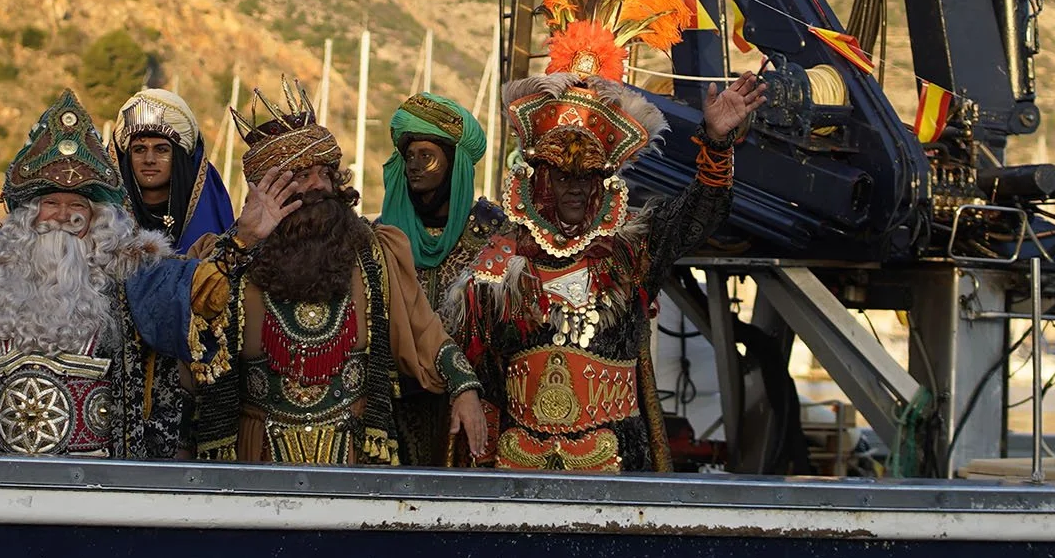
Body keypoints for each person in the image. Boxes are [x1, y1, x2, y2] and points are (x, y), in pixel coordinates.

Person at [445, 70, 763, 471]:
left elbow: (700, 213)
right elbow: (468, 358)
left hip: (619, 458)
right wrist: (467, 399)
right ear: (540, 180)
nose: (576, 188)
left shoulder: (632, 249)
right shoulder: (498, 266)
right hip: (518, 462)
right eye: (564, 177)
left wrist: (717, 143)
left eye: (588, 176)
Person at [181, 80, 487, 467]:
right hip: (255, 457)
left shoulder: (376, 253)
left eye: (325, 172)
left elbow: (424, 331)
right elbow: (188, 345)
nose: (318, 186)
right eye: (300, 175)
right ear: (267, 189)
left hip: (355, 455)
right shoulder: (223, 258)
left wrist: (465, 389)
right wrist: (241, 244)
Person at [0, 89, 194, 458]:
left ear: (97, 221)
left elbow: (181, 310)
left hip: (95, 483)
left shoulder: (127, 280)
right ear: (28, 215)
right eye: (51, 204)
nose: (63, 216)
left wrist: (240, 243)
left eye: (76, 205)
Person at [377, 91, 508, 465]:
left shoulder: (495, 236)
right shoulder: (383, 238)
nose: (414, 166)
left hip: (471, 411)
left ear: (454, 164)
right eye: (409, 156)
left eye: (427, 156)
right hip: (395, 412)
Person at [109, 87, 235, 252]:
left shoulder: (208, 213)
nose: (149, 160)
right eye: (139, 149)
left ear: (179, 157)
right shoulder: (105, 216)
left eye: (161, 150)